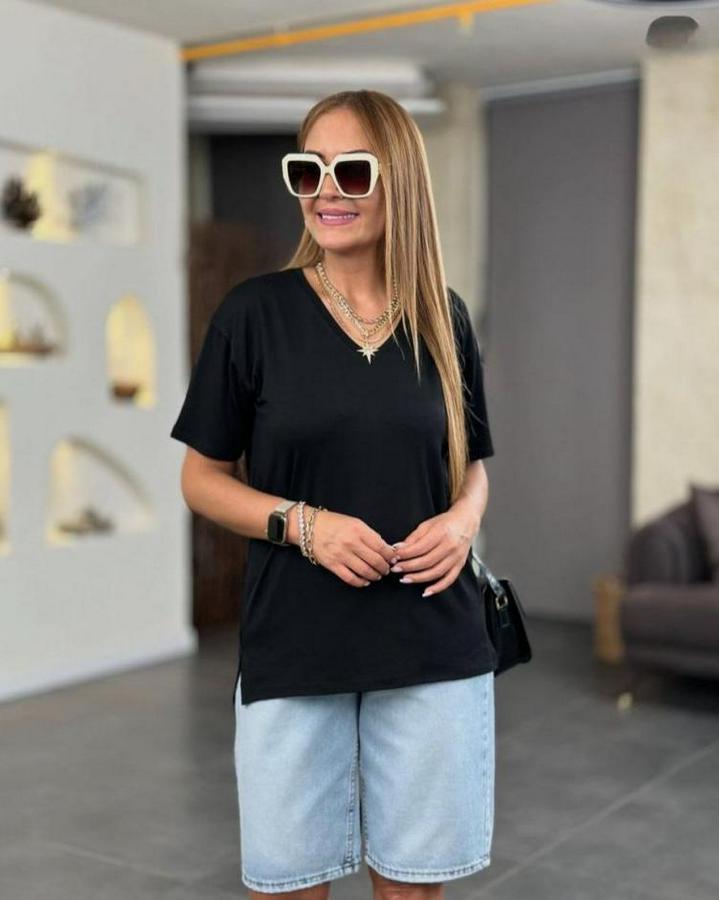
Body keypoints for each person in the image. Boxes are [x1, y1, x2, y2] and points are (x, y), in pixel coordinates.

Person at [170, 89, 498, 900]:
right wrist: (304, 525)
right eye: (306, 170)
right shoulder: (253, 315)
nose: (325, 191)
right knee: (289, 884)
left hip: (431, 636)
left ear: (399, 184)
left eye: (351, 171)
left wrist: (462, 523)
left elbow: (471, 465)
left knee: (414, 888)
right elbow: (200, 479)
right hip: (295, 640)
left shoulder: (444, 318)